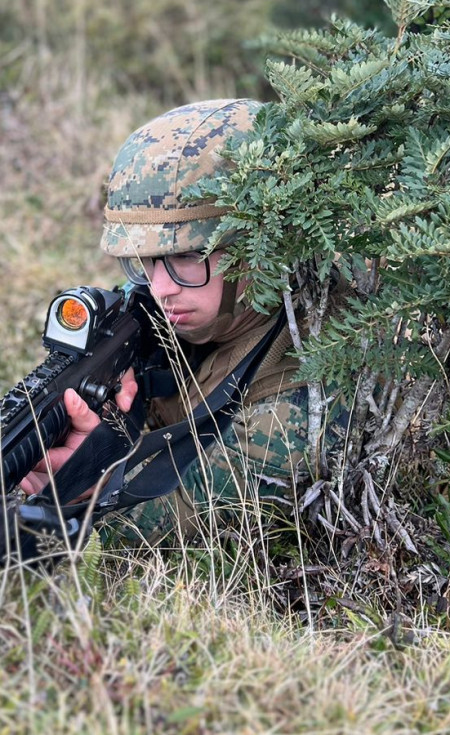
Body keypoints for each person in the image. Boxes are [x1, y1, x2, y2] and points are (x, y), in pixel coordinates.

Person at [20, 99, 342, 546]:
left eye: (189, 256)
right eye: (146, 262)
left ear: (264, 244)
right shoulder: (188, 316)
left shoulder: (297, 393)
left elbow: (154, 534)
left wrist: (84, 486)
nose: (159, 289)